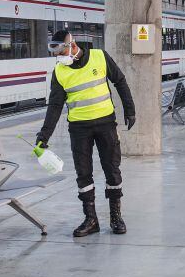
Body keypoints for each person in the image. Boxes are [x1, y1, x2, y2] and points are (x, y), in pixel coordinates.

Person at [36, 30, 136, 237]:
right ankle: (91, 220)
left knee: (112, 169)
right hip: (79, 128)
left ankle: (116, 217)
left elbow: (120, 81)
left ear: (72, 46)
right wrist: (44, 135)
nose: (58, 58)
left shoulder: (100, 56)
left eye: (60, 52)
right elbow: (55, 105)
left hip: (106, 124)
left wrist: (130, 109)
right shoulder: (60, 72)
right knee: (83, 174)